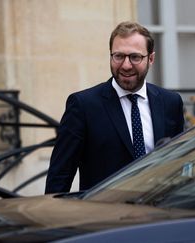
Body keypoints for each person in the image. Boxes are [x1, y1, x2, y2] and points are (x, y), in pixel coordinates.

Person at [45, 21, 185, 193]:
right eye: (118, 56)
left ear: (151, 59)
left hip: (160, 213)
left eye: (135, 57)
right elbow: (60, 175)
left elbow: (180, 165)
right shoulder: (83, 105)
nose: (126, 65)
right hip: (104, 215)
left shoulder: (170, 102)